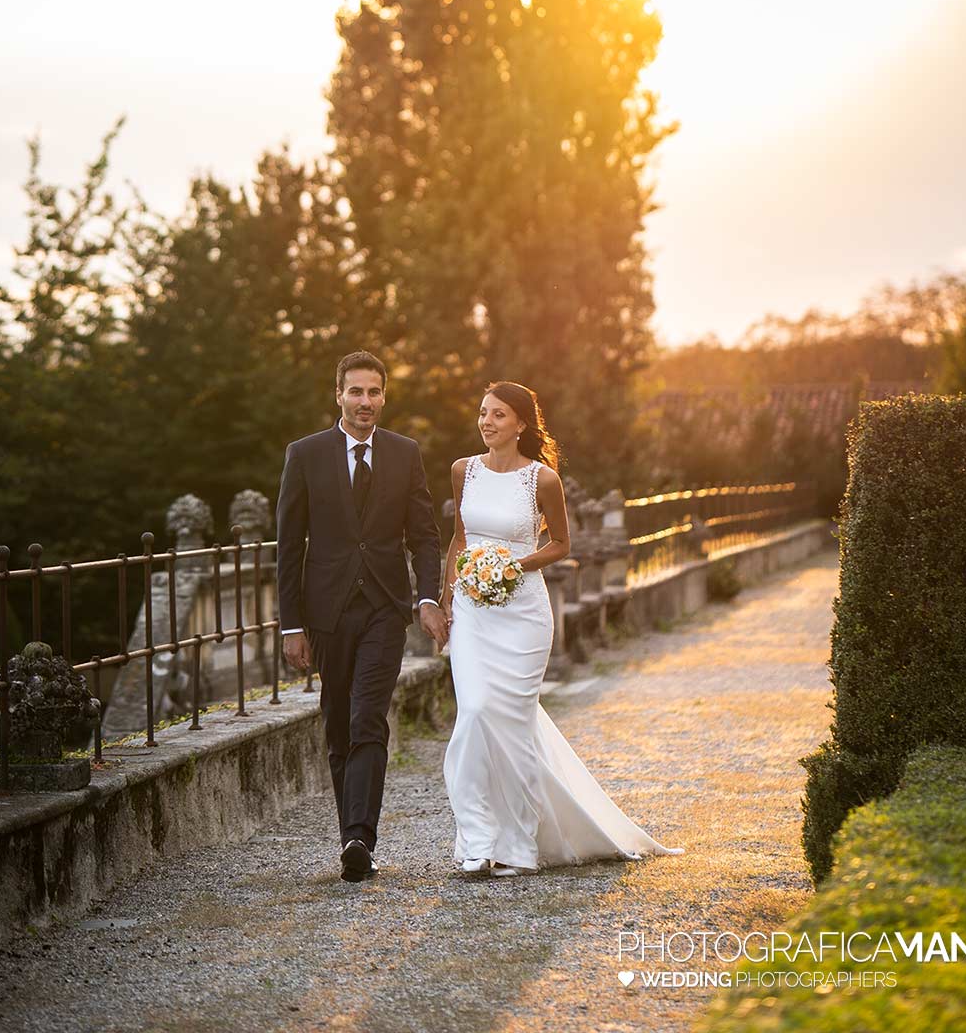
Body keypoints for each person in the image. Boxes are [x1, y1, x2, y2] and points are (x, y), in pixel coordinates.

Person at [441, 380, 684, 875]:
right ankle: (476, 839)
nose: (487, 422)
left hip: (523, 612)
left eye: (499, 415)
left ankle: (516, 846)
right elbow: (459, 537)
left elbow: (562, 545)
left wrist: (514, 567)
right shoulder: (462, 471)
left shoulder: (542, 479)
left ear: (522, 425)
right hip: (471, 610)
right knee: (476, 712)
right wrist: (447, 595)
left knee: (511, 722)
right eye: (483, 413)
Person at [276, 351, 447, 881]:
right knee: (337, 724)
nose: (365, 402)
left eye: (374, 392)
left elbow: (423, 534)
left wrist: (426, 598)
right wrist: (291, 625)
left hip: (383, 609)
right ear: (339, 395)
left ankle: (358, 839)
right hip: (326, 612)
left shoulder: (404, 453)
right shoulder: (305, 455)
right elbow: (288, 544)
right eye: (356, 392)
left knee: (368, 715)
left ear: (383, 396)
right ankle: (350, 829)